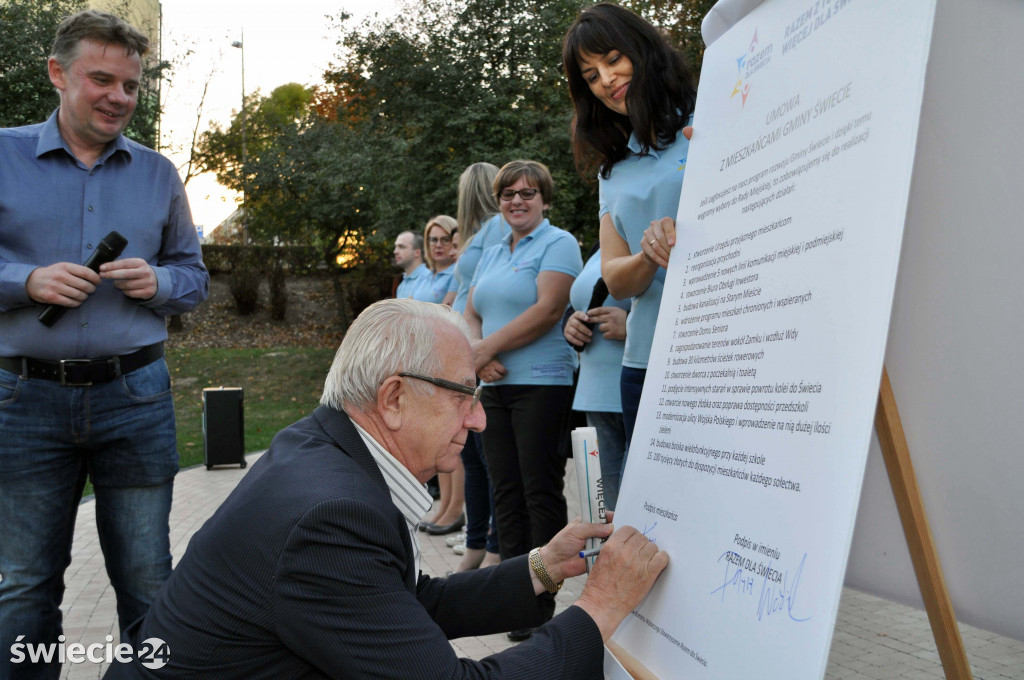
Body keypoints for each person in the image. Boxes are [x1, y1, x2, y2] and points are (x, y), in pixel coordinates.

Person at [103, 299, 669, 679]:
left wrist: (542, 567)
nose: (479, 421)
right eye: (465, 396)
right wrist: (600, 609)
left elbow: (400, 605)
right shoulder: (331, 514)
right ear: (394, 398)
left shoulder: (321, 448)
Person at [0, 10, 209, 680]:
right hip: (23, 397)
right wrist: (24, 280)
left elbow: (194, 277)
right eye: (102, 79)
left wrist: (159, 281)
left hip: (136, 394)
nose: (119, 96)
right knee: (22, 586)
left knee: (150, 582)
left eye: (131, 84)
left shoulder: (157, 174)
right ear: (59, 73)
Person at [562, 3, 697, 461]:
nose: (607, 79)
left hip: (720, 354)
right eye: (591, 75)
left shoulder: (711, 119)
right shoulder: (611, 171)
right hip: (643, 362)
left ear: (642, 49)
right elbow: (616, 276)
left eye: (613, 58)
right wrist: (647, 256)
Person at [465, 161, 582, 639]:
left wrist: (488, 348)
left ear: (545, 199)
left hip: (544, 384)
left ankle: (544, 600)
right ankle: (516, 599)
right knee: (505, 492)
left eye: (528, 193)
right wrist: (478, 355)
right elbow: (471, 311)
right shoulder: (493, 250)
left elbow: (548, 309)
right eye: (508, 193)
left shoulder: (559, 243)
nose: (517, 200)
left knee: (539, 492)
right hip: (494, 387)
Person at [449, 162, 508, 572]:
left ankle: (493, 546)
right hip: (463, 350)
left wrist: (480, 352)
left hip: (478, 353)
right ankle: (476, 541)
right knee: (473, 458)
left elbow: (490, 294)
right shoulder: (476, 237)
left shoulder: (496, 230)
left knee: (490, 463)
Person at [563, 246, 630, 511]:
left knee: (638, 510)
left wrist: (634, 324)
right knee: (603, 513)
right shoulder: (602, 240)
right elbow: (576, 302)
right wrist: (569, 322)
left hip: (640, 395)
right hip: (594, 396)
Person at [412, 215, 459, 306]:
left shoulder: (457, 274)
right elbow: (407, 309)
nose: (438, 245)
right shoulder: (422, 277)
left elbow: (445, 313)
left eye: (445, 240)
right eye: (433, 240)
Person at [394, 230, 428, 298]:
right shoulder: (401, 286)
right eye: (396, 247)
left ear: (417, 252)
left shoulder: (429, 279)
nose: (395, 251)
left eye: (401, 247)